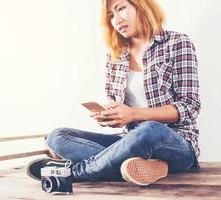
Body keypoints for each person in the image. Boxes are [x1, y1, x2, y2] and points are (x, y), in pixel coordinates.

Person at [26, 0, 200, 186]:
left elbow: (190, 107)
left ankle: (75, 172)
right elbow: (119, 108)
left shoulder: (177, 43)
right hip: (129, 141)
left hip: (176, 143)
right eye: (110, 16)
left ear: (141, 5)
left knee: (150, 129)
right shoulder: (116, 55)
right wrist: (110, 115)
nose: (116, 20)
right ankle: (140, 166)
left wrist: (134, 114)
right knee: (58, 136)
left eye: (121, 8)